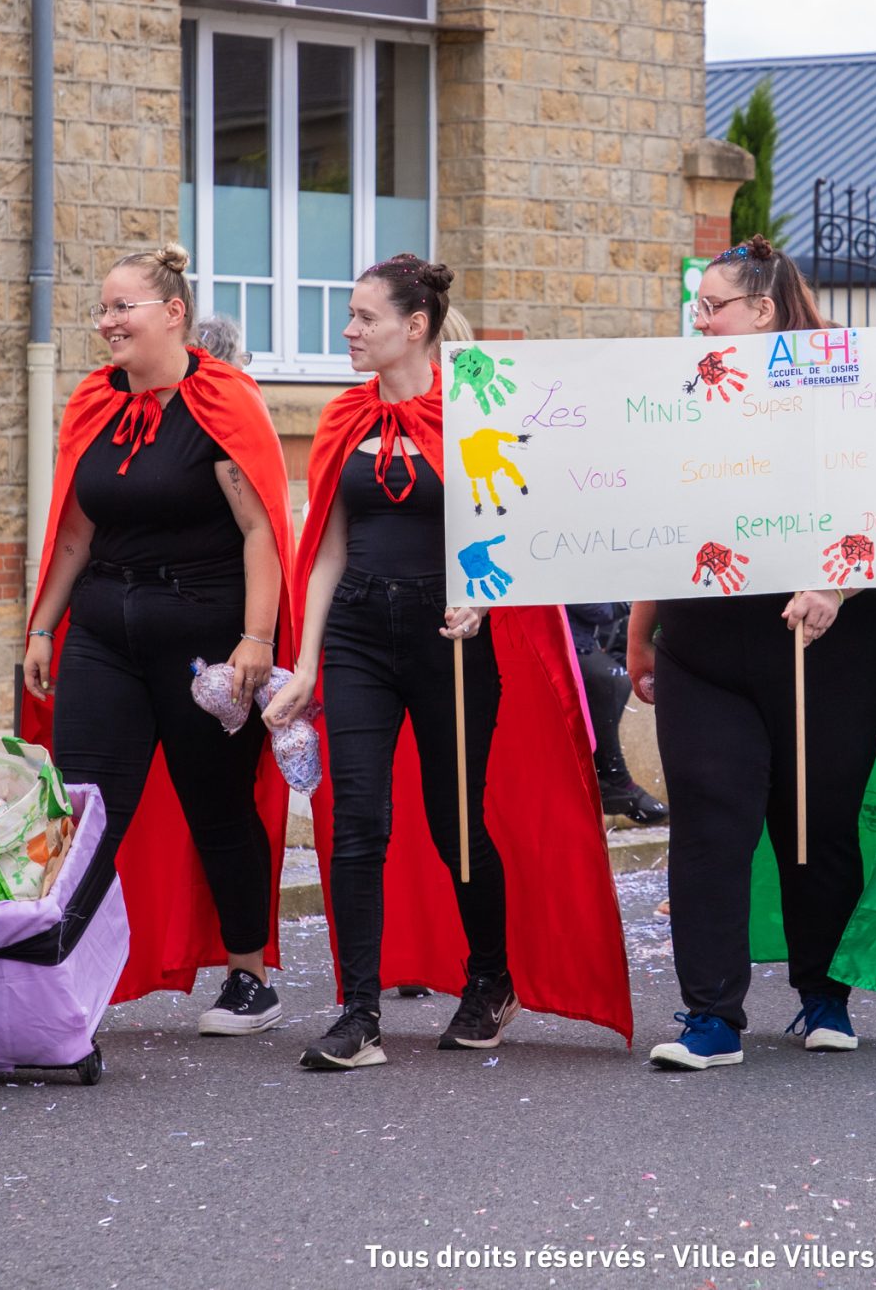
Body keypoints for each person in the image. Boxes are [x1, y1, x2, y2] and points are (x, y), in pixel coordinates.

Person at [261, 254, 628, 1070]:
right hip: (357, 630)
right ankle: (358, 1013)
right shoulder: (342, 418)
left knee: (453, 820)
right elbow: (325, 549)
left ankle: (491, 978)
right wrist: (307, 664)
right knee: (358, 819)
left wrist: (484, 597)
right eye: (351, 316)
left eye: (365, 317)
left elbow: (520, 524)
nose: (349, 331)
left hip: (450, 636)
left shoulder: (473, 414)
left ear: (415, 326)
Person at [630, 237, 876, 1072]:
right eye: (698, 307)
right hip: (704, 640)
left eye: (713, 307)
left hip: (830, 643)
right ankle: (711, 1016)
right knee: (709, 820)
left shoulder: (851, 391)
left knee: (817, 819)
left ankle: (823, 992)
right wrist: (641, 626)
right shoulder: (685, 395)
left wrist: (836, 587)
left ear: (764, 311)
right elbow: (658, 514)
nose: (700, 321)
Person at [20, 245, 303, 1038]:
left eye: (123, 307)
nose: (106, 321)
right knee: (83, 807)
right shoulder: (93, 402)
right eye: (103, 308)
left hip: (203, 641)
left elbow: (260, 527)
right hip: (102, 631)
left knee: (217, 805)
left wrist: (255, 638)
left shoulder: (224, 401)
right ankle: (57, 975)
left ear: (173, 313)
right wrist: (41, 626)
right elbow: (73, 532)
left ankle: (249, 976)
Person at [568, 601, 669, 824]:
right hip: (564, 640)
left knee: (615, 677)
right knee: (609, 679)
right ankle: (614, 777)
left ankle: (610, 777)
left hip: (585, 638)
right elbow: (593, 607)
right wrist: (622, 604)